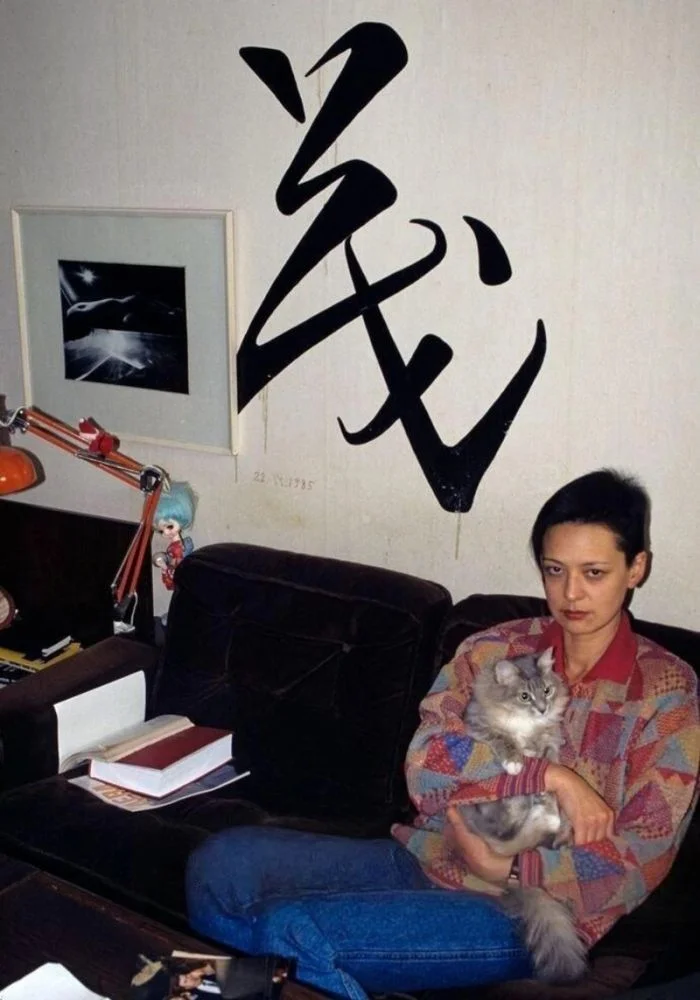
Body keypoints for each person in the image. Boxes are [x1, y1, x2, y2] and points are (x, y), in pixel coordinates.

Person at [186, 470, 700, 1000]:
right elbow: (426, 766)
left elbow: (644, 853)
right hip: (427, 858)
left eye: (594, 572)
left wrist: (511, 868)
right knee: (220, 865)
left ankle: (204, 986)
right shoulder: (492, 650)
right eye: (554, 570)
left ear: (636, 568)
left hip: (534, 912)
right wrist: (551, 777)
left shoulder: (667, 691)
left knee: (288, 931)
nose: (570, 593)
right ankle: (219, 987)